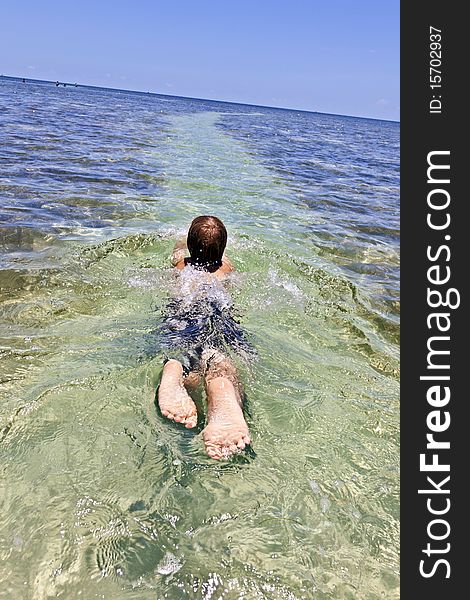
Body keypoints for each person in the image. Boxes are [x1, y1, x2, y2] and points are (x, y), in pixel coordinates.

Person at [157, 216, 253, 459]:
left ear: (189, 246)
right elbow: (235, 285)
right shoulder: (226, 268)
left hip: (185, 312)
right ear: (222, 251)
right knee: (220, 356)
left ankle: (174, 369)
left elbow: (178, 256)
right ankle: (221, 389)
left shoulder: (181, 266)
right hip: (218, 312)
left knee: (182, 347)